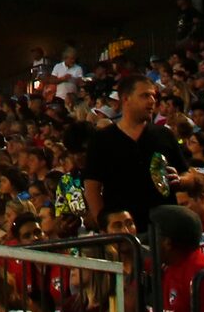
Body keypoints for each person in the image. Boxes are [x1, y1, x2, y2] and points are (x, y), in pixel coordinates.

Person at [77, 77, 187, 225]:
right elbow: (92, 187)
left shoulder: (164, 134)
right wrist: (105, 225)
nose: (152, 101)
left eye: (154, 96)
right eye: (145, 95)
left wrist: (182, 181)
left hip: (164, 226)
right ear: (126, 99)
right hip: (124, 230)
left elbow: (185, 173)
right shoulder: (102, 139)